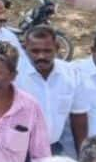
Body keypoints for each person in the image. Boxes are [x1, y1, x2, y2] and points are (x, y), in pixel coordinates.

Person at [16, 26, 89, 155]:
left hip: (54, 148)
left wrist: (82, 153)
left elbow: (78, 115)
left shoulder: (71, 74)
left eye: (47, 51)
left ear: (57, 47)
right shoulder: (14, 74)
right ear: (25, 47)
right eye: (35, 51)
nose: (41, 56)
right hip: (20, 150)